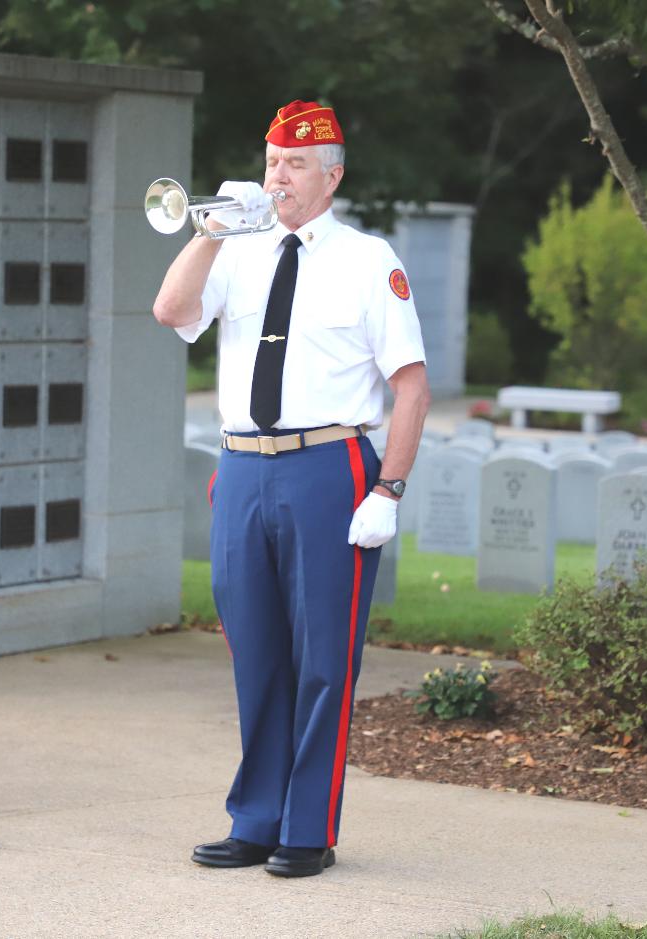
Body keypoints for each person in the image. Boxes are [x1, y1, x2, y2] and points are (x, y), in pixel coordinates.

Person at [152, 99, 430, 878]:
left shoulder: (369, 259)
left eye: (297, 164)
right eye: (273, 161)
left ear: (332, 174)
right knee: (255, 654)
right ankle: (256, 817)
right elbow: (171, 311)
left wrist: (391, 488)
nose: (280, 176)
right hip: (242, 465)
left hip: (327, 466)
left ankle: (307, 827)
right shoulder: (234, 250)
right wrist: (209, 231)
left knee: (322, 660)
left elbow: (411, 387)